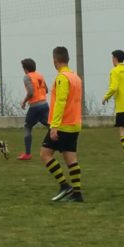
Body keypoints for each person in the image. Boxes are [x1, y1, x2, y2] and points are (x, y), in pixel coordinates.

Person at [42, 47, 84, 202]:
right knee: (71, 159)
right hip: (75, 123)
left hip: (63, 125)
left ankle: (64, 186)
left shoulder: (62, 78)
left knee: (45, 154)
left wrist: (54, 126)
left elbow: (61, 101)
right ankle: (77, 194)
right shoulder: (75, 77)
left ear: (55, 60)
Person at [17, 58, 49, 160]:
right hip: (44, 105)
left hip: (35, 107)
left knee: (27, 127)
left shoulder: (27, 77)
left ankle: (27, 154)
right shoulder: (40, 76)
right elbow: (46, 90)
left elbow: (30, 92)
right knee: (51, 127)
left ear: (25, 68)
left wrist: (24, 102)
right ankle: (62, 147)